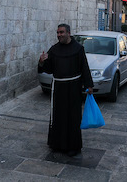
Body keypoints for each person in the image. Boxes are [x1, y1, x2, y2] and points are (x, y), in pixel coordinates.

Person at [38, 24, 94, 157]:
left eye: (62, 32)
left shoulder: (78, 49)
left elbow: (84, 67)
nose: (59, 35)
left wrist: (89, 85)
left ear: (69, 33)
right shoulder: (54, 49)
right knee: (58, 116)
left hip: (73, 88)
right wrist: (41, 62)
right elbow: (49, 69)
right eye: (58, 33)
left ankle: (73, 146)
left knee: (73, 117)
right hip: (58, 88)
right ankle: (56, 144)